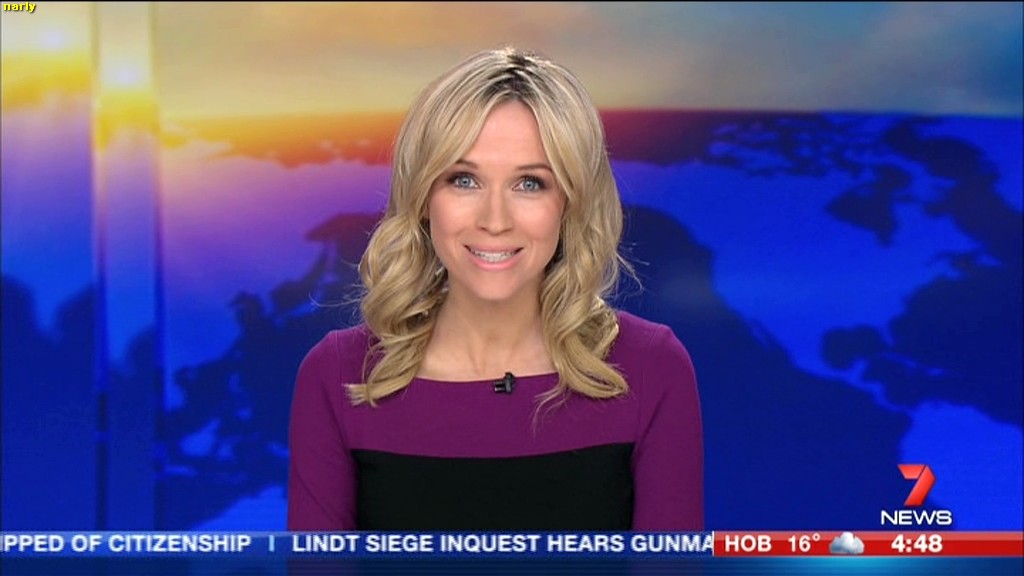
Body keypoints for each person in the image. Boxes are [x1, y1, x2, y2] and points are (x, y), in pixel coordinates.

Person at [287, 46, 703, 531]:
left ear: (571, 203)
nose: (495, 220)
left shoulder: (649, 369)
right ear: (423, 198)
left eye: (530, 183)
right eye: (464, 180)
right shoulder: (339, 377)